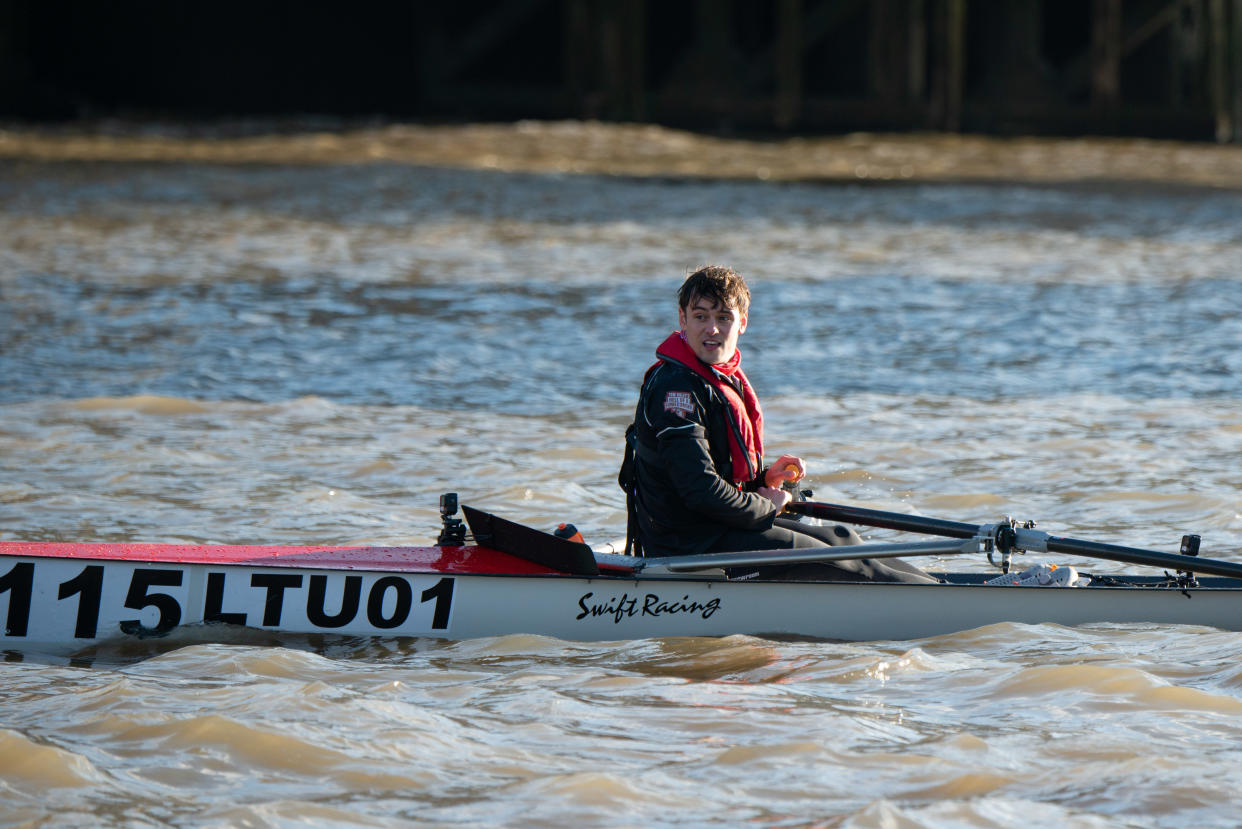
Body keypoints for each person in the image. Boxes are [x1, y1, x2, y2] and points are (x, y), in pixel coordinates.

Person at [622, 265, 937, 583]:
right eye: (701, 317)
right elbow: (701, 491)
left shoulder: (718, 378)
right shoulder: (676, 389)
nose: (712, 329)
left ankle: (938, 588)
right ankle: (937, 604)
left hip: (716, 528)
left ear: (741, 323)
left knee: (841, 538)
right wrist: (765, 506)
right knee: (838, 563)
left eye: (723, 318)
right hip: (686, 545)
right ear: (682, 320)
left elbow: (716, 472)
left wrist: (763, 479)